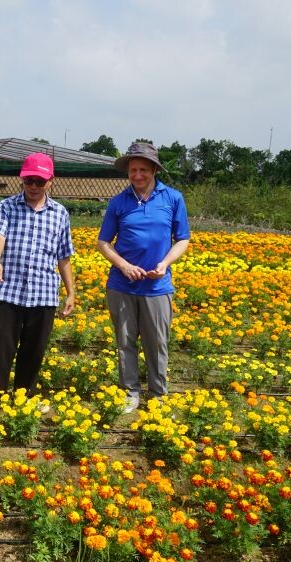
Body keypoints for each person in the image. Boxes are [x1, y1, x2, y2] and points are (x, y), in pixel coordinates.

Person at [97, 142, 190, 413]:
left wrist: (165, 263)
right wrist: (124, 265)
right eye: (133, 170)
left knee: (157, 342)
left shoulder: (172, 198)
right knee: (125, 341)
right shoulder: (118, 202)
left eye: (143, 170)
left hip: (157, 285)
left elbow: (182, 239)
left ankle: (158, 393)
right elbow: (103, 242)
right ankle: (130, 391)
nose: (137, 175)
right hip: (122, 285)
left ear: (154, 170)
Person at [0, 152, 76, 402]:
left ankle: (24, 398)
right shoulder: (6, 206)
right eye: (29, 181)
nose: (33, 186)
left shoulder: (60, 213)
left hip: (44, 292)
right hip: (9, 289)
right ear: (21, 179)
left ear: (51, 181)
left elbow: (64, 256)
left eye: (40, 181)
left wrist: (71, 292)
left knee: (34, 351)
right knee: (1, 349)